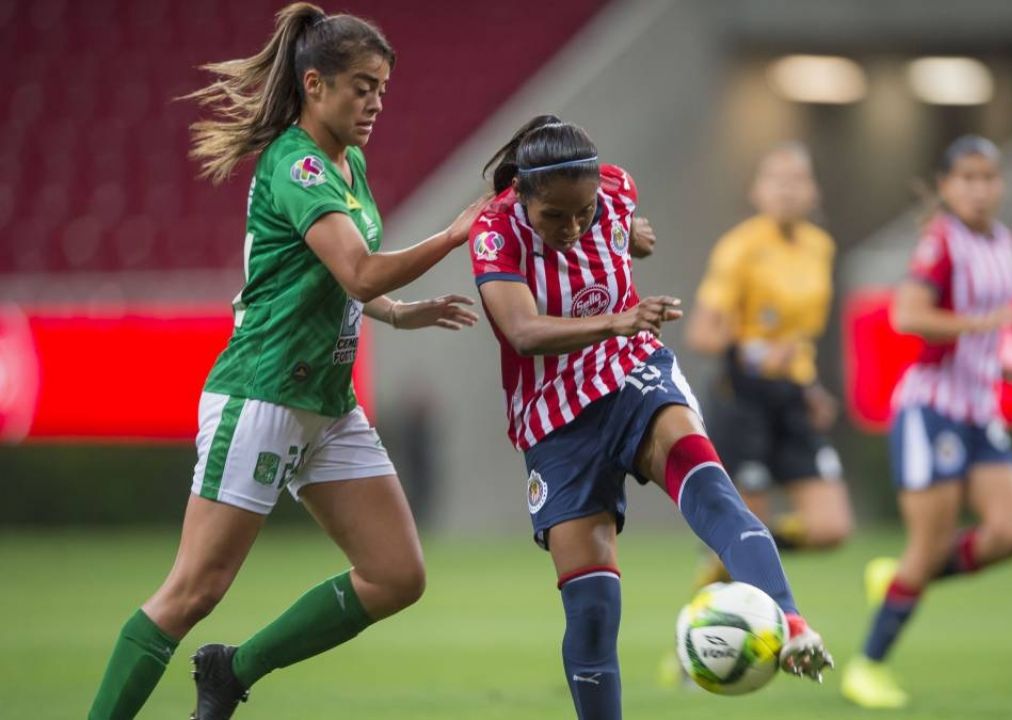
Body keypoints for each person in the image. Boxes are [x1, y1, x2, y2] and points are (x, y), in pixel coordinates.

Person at [87, 5, 482, 718]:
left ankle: (232, 673)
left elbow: (337, 281)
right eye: (362, 86)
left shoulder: (347, 161)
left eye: (382, 89)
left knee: (395, 575)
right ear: (315, 84)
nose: (375, 102)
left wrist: (397, 313)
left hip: (326, 403)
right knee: (193, 592)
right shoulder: (297, 163)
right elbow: (359, 272)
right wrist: (453, 235)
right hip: (263, 394)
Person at [469, 115, 834, 720]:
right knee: (591, 612)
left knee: (716, 495)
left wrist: (626, 236)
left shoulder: (614, 188)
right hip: (553, 416)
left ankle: (791, 621)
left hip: (630, 372)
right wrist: (617, 316)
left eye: (582, 211)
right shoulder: (492, 230)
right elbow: (523, 332)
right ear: (524, 198)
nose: (572, 226)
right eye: (553, 216)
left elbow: (617, 224)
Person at [841, 135, 1012, 709]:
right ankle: (866, 667)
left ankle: (901, 577)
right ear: (947, 186)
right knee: (928, 544)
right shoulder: (940, 242)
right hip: (933, 411)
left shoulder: (1003, 240)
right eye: (967, 178)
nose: (979, 189)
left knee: (1010, 534)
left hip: (980, 408)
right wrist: (980, 327)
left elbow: (978, 328)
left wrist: (997, 364)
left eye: (988, 178)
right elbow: (908, 314)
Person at [685, 142, 853, 560]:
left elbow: (800, 336)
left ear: (814, 191)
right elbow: (702, 334)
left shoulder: (820, 247)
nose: (787, 190)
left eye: (797, 180)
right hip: (743, 397)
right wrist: (758, 353)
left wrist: (811, 388)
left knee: (831, 528)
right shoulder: (739, 248)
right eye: (776, 180)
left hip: (792, 395)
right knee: (749, 525)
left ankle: (733, 550)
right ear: (756, 191)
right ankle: (739, 563)